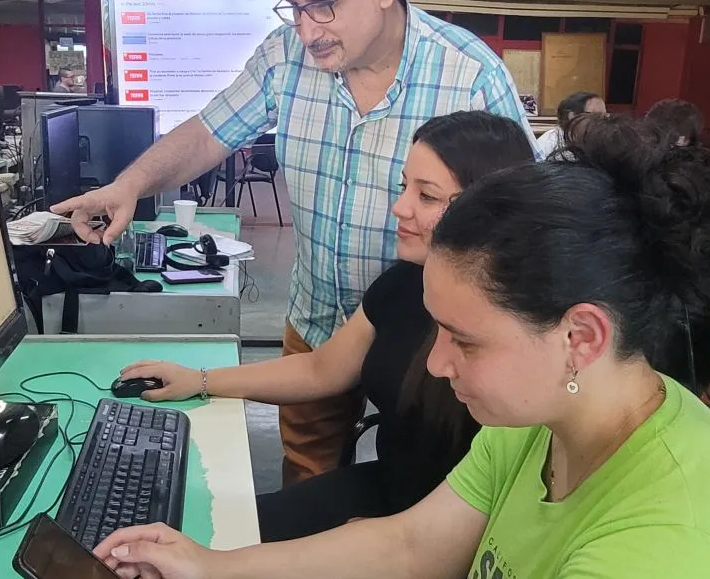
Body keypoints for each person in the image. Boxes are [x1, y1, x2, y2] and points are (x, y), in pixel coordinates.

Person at [93, 117, 710, 579]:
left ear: (580, 338)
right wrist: (213, 566)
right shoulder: (544, 421)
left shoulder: (671, 551)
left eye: (465, 340)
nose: (437, 364)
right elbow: (414, 546)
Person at [52, 0, 533, 487]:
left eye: (324, 5)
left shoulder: (470, 75)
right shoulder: (285, 56)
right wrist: (128, 186)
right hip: (318, 320)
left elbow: (522, 224)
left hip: (430, 336)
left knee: (433, 480)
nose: (307, 30)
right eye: (295, 7)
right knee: (308, 478)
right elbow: (208, 132)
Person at [119, 111, 534, 542]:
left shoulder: (518, 330)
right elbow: (321, 370)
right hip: (386, 491)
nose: (399, 207)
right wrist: (199, 380)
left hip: (453, 529)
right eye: (403, 187)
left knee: (227, 550)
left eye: (426, 196)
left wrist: (375, 540)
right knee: (217, 530)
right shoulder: (403, 282)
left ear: (487, 209)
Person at [535, 90, 604, 158]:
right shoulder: (550, 143)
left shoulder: (599, 140)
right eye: (595, 116)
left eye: (605, 116)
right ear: (573, 117)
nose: (602, 121)